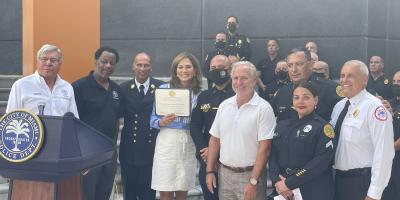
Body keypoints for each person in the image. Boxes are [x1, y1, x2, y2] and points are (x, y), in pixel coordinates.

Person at [206, 61, 276, 200]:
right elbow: (215, 139)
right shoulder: (224, 106)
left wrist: (253, 181)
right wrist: (209, 171)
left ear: (254, 80)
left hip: (250, 176)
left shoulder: (263, 108)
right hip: (224, 174)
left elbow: (265, 149)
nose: (239, 82)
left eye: (244, 78)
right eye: (235, 78)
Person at [331, 60, 394, 200]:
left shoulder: (375, 107)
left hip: (362, 182)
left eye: (350, 76)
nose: (344, 80)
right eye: (342, 75)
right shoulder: (339, 107)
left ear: (364, 80)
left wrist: (374, 193)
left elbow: (384, 152)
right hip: (339, 181)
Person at [269, 81, 336, 200]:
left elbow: (320, 162)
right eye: (296, 97)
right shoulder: (282, 125)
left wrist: (289, 183)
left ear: (315, 100)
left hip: (312, 190)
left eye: (306, 97)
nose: (300, 101)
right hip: (283, 191)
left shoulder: (323, 127)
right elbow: (273, 155)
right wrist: (277, 181)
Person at [72, 47, 123, 200]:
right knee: (86, 195)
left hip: (109, 154)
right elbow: (73, 123)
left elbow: (116, 120)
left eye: (112, 63)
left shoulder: (117, 90)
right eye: (104, 61)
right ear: (95, 61)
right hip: (87, 155)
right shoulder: (78, 87)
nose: (108, 66)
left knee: (103, 194)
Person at [150, 52, 202, 200]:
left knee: (182, 188)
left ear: (195, 70)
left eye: (188, 67)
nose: (184, 71)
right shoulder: (164, 89)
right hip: (167, 141)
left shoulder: (200, 94)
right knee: (165, 188)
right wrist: (161, 122)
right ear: (175, 70)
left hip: (188, 140)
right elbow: (152, 119)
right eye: (180, 67)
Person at [119, 52, 164, 200]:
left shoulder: (161, 88)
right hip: (129, 149)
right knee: (129, 194)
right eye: (139, 65)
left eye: (146, 65)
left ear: (151, 67)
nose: (142, 68)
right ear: (133, 66)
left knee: (148, 194)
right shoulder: (123, 88)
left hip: (151, 149)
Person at [190, 55, 234, 200]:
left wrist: (215, 150)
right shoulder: (204, 96)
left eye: (221, 68)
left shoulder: (238, 95)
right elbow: (195, 125)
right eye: (213, 68)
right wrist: (204, 150)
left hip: (231, 161)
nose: (216, 71)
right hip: (207, 159)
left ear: (230, 70)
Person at [6, 44, 79, 117]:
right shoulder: (21, 85)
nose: (48, 63)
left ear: (60, 63)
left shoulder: (67, 87)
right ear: (37, 61)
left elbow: (74, 118)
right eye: (44, 59)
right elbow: (11, 118)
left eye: (53, 60)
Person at [271, 47, 341, 122]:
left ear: (310, 65)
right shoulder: (282, 92)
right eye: (290, 65)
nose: (294, 70)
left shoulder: (330, 90)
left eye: (299, 64)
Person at [381, 70, 400, 200]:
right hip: (387, 160)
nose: (395, 85)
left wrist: (389, 149)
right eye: (394, 82)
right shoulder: (390, 103)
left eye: (399, 82)